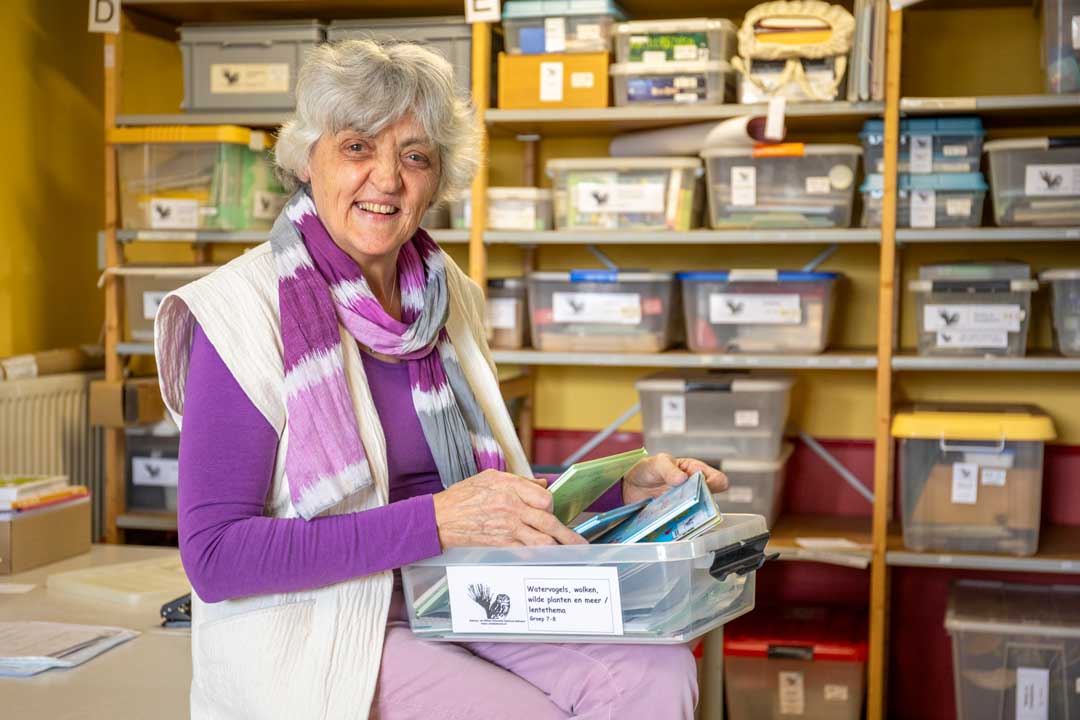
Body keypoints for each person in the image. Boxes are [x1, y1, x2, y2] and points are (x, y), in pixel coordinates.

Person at [155, 39, 729, 720]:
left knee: (655, 672)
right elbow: (216, 558)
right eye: (358, 148)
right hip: (320, 621)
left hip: (461, 588)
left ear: (439, 179)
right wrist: (435, 522)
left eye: (415, 156)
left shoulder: (445, 294)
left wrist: (617, 493)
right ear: (309, 160)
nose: (388, 179)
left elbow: (482, 497)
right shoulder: (240, 309)